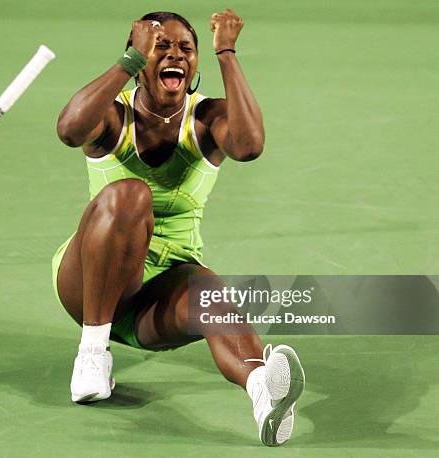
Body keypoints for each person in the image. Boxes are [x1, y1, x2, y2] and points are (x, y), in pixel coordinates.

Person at [54, 10, 305, 447]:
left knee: (212, 293)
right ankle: (92, 354)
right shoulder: (113, 117)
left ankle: (264, 391)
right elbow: (69, 130)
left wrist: (226, 52)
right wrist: (128, 59)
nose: (174, 55)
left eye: (185, 48)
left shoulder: (206, 118)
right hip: (92, 281)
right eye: (159, 47)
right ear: (139, 60)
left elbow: (249, 147)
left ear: (195, 63)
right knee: (130, 195)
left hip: (162, 294)